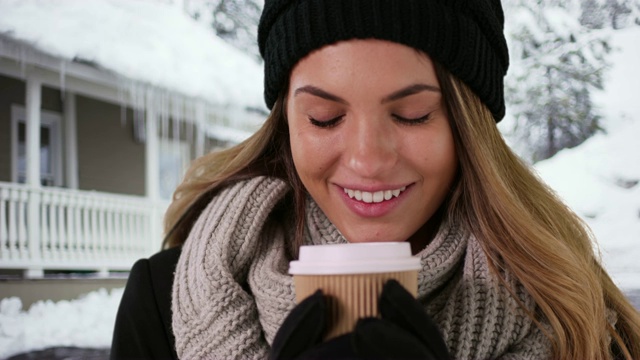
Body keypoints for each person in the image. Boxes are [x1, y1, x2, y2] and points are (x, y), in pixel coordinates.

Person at [111, 0, 640, 359]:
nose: (366, 160)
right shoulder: (164, 304)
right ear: (287, 123)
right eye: (324, 117)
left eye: (412, 114)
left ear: (468, 127)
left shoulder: (570, 307)